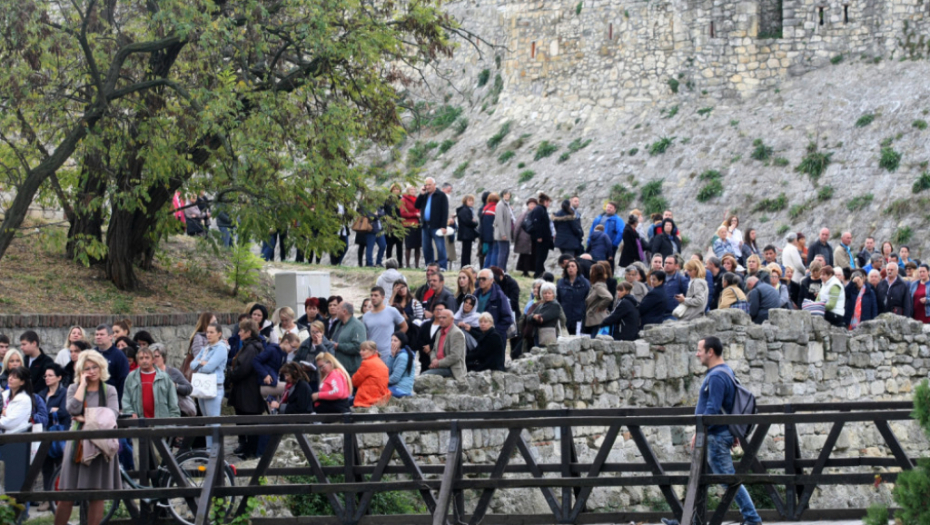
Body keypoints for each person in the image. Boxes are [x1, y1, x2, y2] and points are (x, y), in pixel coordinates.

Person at [665, 337, 762, 525]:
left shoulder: (717, 376)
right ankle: (692, 521)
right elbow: (728, 405)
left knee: (727, 480)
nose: (697, 353)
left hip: (714, 436)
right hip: (717, 434)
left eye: (700, 349)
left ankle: (752, 519)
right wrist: (730, 432)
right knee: (699, 479)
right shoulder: (725, 372)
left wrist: (700, 431)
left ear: (710, 352)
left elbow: (713, 408)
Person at [54, 350, 121, 525]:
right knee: (66, 494)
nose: (91, 371)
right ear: (80, 370)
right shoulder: (73, 388)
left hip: (100, 444)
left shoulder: (110, 390)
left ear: (101, 367)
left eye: (94, 367)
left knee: (96, 495)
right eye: (87, 368)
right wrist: (82, 385)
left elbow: (111, 416)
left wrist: (87, 418)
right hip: (77, 444)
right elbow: (72, 409)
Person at [228, 319, 265, 459]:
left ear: (249, 332)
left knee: (248, 422)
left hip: (248, 391)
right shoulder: (252, 346)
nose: (239, 333)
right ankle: (248, 449)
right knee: (246, 421)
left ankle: (250, 451)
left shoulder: (251, 348)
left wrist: (231, 375)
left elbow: (243, 369)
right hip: (247, 390)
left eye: (242, 330)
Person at [121, 346, 180, 419]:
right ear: (138, 361)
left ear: (153, 360)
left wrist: (173, 421)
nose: (144, 360)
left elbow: (173, 402)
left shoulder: (164, 377)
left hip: (161, 423)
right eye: (141, 358)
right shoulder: (131, 377)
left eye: (147, 357)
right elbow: (126, 399)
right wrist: (130, 413)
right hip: (138, 424)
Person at [190, 323, 228, 432]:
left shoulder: (221, 348)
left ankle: (215, 448)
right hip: (203, 384)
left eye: (212, 332)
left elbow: (209, 368)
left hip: (214, 385)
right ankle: (209, 448)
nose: (208, 335)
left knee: (213, 422)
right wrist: (203, 363)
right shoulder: (206, 347)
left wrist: (200, 364)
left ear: (219, 334)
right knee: (207, 422)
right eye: (207, 332)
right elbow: (192, 365)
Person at [362, 286, 408, 361]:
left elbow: (404, 326)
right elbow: (364, 335)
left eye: (376, 295)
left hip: (387, 353)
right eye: (371, 295)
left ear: (383, 297)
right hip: (371, 353)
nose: (373, 298)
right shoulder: (366, 316)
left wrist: (396, 342)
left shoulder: (392, 311)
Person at [415, 177, 450, 270]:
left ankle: (442, 266)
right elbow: (416, 205)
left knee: (440, 246)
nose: (428, 186)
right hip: (425, 225)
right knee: (426, 247)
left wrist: (443, 226)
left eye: (430, 184)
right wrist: (421, 194)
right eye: (426, 185)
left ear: (434, 185)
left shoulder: (441, 195)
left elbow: (445, 211)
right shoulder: (425, 195)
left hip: (437, 225)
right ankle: (429, 265)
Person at [150, 344, 194, 417]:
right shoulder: (146, 374)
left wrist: (175, 386)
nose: (154, 359)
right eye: (152, 357)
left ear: (163, 357)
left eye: (157, 356)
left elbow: (189, 388)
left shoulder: (172, 372)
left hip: (172, 413)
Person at [422, 309, 466, 380]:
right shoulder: (439, 332)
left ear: (452, 319)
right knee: (423, 375)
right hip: (440, 366)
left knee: (424, 376)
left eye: (444, 317)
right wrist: (433, 360)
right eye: (440, 317)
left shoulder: (457, 333)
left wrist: (438, 363)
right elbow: (434, 350)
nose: (441, 320)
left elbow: (455, 356)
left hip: (452, 369)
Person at [92, 324, 130, 405]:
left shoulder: (119, 355)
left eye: (102, 334)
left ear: (110, 336)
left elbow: (123, 381)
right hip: (93, 399)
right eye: (97, 334)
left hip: (111, 399)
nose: (98, 337)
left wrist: (120, 404)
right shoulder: (91, 354)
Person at [330, 302, 367, 375]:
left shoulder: (357, 326)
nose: (336, 310)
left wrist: (338, 346)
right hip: (339, 368)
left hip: (351, 371)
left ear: (344, 312)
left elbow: (358, 347)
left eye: (338, 308)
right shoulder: (339, 324)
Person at [352, 341, 391, 408]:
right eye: (360, 350)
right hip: (380, 400)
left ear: (371, 351)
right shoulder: (381, 362)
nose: (360, 352)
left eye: (363, 350)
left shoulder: (367, 363)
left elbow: (354, 381)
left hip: (366, 400)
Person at [556, 259, 590, 335]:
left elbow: (588, 298)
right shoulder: (561, 282)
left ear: (577, 268)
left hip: (579, 315)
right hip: (564, 315)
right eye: (568, 266)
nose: (570, 268)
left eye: (572, 266)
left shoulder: (585, 282)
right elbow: (558, 299)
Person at [1, 366, 34, 433]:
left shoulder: (24, 399)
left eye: (14, 377)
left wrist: (4, 412)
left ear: (22, 382)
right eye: (10, 376)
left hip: (15, 437)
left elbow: (9, 423)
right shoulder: (4, 394)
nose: (10, 379)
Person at [584, 264, 614, 336]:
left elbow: (609, 297)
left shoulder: (598, 286)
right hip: (596, 320)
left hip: (598, 320)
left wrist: (600, 307)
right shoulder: (596, 285)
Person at [529, 193, 554, 278]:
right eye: (548, 201)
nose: (548, 204)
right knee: (540, 256)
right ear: (545, 201)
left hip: (545, 237)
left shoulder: (543, 210)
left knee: (543, 256)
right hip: (541, 238)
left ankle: (540, 271)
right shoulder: (539, 209)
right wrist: (539, 236)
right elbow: (537, 223)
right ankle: (538, 273)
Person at [386, 332, 415, 398]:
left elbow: (395, 378)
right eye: (391, 340)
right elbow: (387, 372)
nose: (392, 342)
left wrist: (382, 381)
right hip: (396, 386)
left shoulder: (403, 356)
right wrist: (392, 357)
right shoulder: (397, 354)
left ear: (402, 342)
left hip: (401, 389)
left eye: (395, 341)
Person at [513, 198, 537, 277]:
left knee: (531, 255)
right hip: (524, 238)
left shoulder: (535, 214)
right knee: (525, 256)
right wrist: (515, 237)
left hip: (531, 239)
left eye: (534, 204)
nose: (532, 206)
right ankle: (525, 271)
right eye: (531, 204)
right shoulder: (524, 214)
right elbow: (517, 225)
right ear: (528, 205)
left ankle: (527, 271)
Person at [401, 185, 423, 269]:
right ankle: (407, 264)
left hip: (417, 224)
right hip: (408, 224)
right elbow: (403, 213)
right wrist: (415, 214)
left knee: (418, 246)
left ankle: (417, 265)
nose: (413, 191)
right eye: (411, 189)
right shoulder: (403, 200)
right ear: (407, 191)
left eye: (414, 189)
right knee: (409, 246)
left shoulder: (417, 199)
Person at [493, 189, 515, 270]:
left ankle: (503, 269)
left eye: (509, 194)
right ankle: (501, 270)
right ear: (503, 195)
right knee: (502, 252)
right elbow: (499, 220)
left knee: (506, 252)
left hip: (507, 232)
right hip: (503, 233)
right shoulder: (500, 205)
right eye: (506, 194)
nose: (507, 196)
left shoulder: (507, 205)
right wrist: (503, 233)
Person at [384, 184, 405, 265]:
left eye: (398, 189)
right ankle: (388, 263)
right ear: (391, 190)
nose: (396, 190)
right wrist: (386, 217)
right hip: (390, 225)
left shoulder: (402, 200)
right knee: (389, 245)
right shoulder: (387, 200)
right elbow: (383, 211)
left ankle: (400, 263)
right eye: (395, 189)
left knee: (399, 245)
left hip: (399, 224)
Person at [457, 194, 479, 267]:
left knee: (467, 251)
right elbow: (468, 221)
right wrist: (475, 222)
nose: (471, 202)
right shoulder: (465, 210)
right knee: (466, 251)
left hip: (466, 234)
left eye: (472, 201)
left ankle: (466, 265)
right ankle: (465, 265)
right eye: (469, 200)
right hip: (466, 234)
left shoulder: (466, 209)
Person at [480, 192, 500, 268]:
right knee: (495, 251)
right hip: (494, 233)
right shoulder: (497, 208)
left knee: (490, 251)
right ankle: (492, 268)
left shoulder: (485, 208)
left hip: (486, 234)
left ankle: (486, 267)